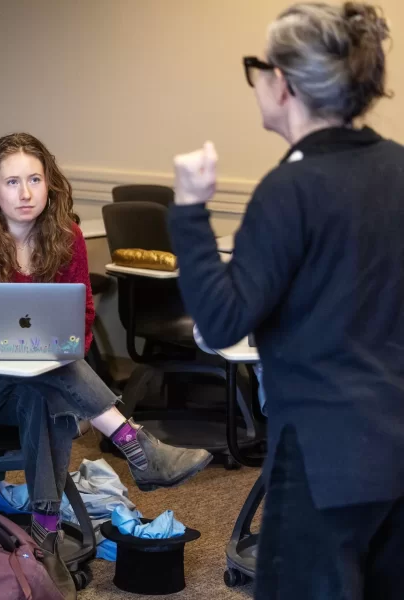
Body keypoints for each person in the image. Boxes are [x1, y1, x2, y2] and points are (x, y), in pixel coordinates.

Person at [170, 3, 403, 598]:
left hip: (324, 456)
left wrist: (191, 210)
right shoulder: (398, 169)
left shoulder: (290, 189)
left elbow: (222, 324)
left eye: (261, 67)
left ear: (285, 84)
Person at [0, 132, 213, 598]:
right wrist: (6, 332)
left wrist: (34, 341)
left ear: (50, 183)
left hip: (27, 389)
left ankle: (44, 540)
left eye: (35, 179)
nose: (26, 192)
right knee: (44, 362)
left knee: (43, 384)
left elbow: (82, 323)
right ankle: (136, 446)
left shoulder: (65, 237)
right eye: (12, 182)